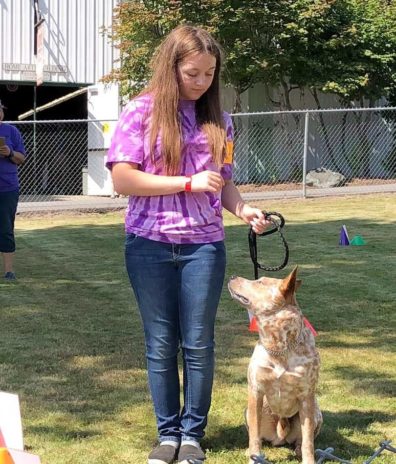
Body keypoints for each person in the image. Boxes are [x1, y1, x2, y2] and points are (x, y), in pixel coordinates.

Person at [106, 25, 270, 464]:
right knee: (160, 343)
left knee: (198, 343)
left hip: (204, 248)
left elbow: (225, 184)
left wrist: (245, 211)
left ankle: (193, 436)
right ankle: (167, 434)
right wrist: (186, 182)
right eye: (192, 73)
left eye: (209, 74)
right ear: (171, 67)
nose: (201, 83)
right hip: (148, 245)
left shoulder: (221, 120)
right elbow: (122, 179)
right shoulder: (139, 112)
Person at [0, 100, 27, 281]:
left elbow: (21, 158)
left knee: (5, 229)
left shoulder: (11, 131)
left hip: (7, 189)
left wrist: (9, 152)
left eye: (0, 109)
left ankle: (9, 271)